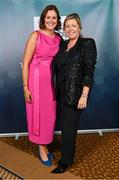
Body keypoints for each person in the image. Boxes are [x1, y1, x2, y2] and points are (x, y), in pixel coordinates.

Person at [51, 13, 97, 173]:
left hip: (75, 94)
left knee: (68, 129)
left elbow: (89, 72)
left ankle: (65, 161)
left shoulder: (87, 44)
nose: (70, 29)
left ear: (80, 27)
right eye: (67, 26)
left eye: (74, 26)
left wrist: (84, 95)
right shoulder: (63, 45)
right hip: (61, 93)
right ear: (64, 29)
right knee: (65, 127)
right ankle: (67, 155)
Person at [22, 4, 61, 166]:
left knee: (49, 115)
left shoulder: (59, 38)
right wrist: (25, 86)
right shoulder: (35, 36)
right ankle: (42, 148)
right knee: (37, 114)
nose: (51, 20)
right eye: (48, 17)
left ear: (57, 20)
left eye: (54, 17)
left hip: (53, 82)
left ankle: (44, 143)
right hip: (36, 82)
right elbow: (25, 63)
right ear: (43, 19)